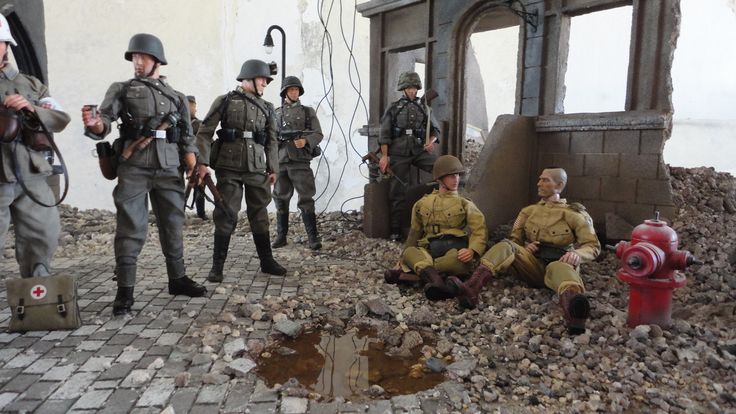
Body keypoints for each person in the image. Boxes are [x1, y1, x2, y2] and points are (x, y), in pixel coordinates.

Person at [81, 33, 208, 315]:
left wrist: (194, 164)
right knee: (130, 226)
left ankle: (177, 278)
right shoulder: (123, 89)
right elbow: (105, 120)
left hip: (168, 167)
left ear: (156, 60)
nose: (137, 62)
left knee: (173, 223)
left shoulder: (175, 96)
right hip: (134, 166)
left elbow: (187, 135)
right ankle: (125, 291)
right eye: (134, 57)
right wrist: (95, 125)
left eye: (142, 57)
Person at [455, 167, 600, 334]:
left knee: (560, 268)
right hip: (532, 264)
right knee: (506, 245)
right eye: (540, 179)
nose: (539, 183)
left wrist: (577, 254)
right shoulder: (527, 212)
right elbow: (514, 240)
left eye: (545, 180)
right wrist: (524, 247)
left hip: (559, 264)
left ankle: (574, 313)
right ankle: (472, 287)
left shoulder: (574, 215)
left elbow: (592, 246)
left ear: (559, 186)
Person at [196, 59, 285, 282]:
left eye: (266, 80)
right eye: (262, 79)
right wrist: (202, 163)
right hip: (229, 166)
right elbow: (205, 132)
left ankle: (266, 261)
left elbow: (272, 141)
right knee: (226, 212)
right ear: (249, 78)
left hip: (256, 167)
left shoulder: (267, 107)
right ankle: (217, 266)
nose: (265, 83)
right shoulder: (225, 101)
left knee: (260, 212)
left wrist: (273, 167)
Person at [0, 14, 70, 277]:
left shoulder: (31, 85)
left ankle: (36, 304)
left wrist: (32, 108)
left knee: (41, 237)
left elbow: (60, 118)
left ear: (7, 45)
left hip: (31, 173)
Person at [384, 155, 486, 300]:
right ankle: (439, 282)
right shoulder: (422, 203)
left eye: (457, 175)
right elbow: (414, 233)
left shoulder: (465, 203)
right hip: (429, 249)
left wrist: (472, 250)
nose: (455, 179)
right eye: (450, 176)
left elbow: (479, 230)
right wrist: (401, 259)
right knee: (410, 252)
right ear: (439, 179)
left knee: (458, 263)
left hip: (453, 250)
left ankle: (420, 274)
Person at [378, 71, 440, 241]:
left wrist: (431, 141)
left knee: (441, 169)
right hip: (398, 152)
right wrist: (385, 156)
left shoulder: (425, 107)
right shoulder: (394, 107)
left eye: (414, 87)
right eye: (408, 88)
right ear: (403, 89)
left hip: (419, 150)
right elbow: (384, 134)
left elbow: (436, 130)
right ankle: (396, 228)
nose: (412, 91)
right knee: (397, 190)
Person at [272, 76, 323, 250]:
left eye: (296, 90)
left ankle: (312, 237)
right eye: (290, 90)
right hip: (281, 161)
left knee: (306, 199)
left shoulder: (307, 112)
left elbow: (318, 133)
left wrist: (306, 141)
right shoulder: (276, 113)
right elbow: (270, 137)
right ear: (285, 92)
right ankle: (281, 235)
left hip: (300, 160)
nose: (294, 92)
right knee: (280, 198)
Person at [187, 95, 207, 220]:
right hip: (183, 160)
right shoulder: (178, 124)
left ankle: (201, 212)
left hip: (195, 160)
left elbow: (204, 143)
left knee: (200, 185)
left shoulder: (198, 124)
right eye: (192, 107)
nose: (194, 110)